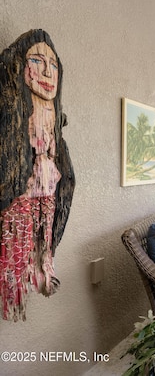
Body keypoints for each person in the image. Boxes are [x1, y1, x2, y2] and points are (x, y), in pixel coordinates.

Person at [0, 29, 75, 321]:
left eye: (54, 65)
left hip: (49, 187)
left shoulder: (53, 112)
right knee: (18, 244)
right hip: (22, 191)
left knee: (44, 238)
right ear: (19, 65)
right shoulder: (14, 106)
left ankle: (43, 270)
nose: (47, 71)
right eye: (37, 60)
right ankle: (16, 287)